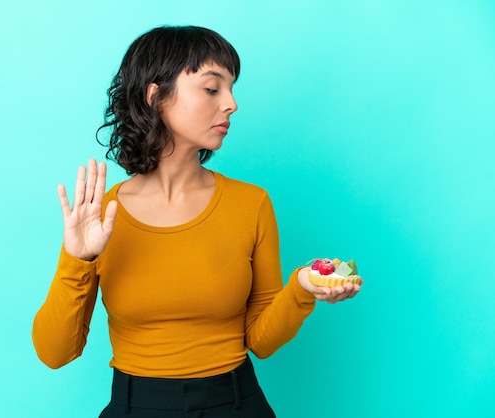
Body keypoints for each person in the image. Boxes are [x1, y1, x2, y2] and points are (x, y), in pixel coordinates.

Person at [32, 25, 361, 417]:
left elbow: (261, 341)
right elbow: (54, 353)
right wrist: (78, 260)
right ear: (156, 97)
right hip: (136, 407)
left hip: (236, 404)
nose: (232, 104)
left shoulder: (250, 204)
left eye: (232, 88)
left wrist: (302, 288)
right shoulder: (99, 217)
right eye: (212, 88)